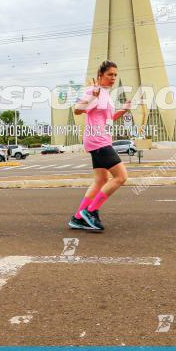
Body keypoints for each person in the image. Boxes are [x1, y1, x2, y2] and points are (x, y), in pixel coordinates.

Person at [68, 60, 132, 232]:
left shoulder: (106, 95)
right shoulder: (93, 91)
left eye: (115, 75)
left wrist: (124, 110)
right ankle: (91, 211)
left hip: (102, 139)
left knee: (101, 180)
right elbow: (77, 110)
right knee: (121, 177)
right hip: (98, 141)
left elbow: (109, 118)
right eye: (110, 74)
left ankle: (78, 217)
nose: (113, 78)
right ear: (100, 76)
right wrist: (92, 95)